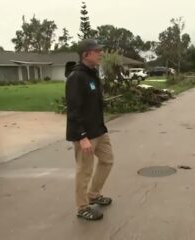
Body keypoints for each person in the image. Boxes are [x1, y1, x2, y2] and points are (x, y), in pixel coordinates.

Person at [65, 39, 114, 221]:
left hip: (99, 131)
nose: (100, 53)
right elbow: (74, 110)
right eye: (97, 51)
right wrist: (82, 137)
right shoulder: (76, 77)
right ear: (86, 54)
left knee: (107, 160)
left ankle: (93, 194)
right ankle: (82, 207)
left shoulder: (92, 74)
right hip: (85, 134)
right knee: (84, 170)